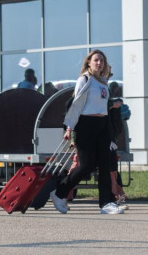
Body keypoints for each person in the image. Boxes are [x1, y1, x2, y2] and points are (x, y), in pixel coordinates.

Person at [51, 49, 124, 215]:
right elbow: (76, 105)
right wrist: (69, 128)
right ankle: (59, 193)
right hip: (86, 125)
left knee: (105, 164)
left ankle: (107, 203)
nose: (99, 63)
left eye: (102, 61)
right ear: (89, 63)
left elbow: (101, 105)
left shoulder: (103, 81)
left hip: (102, 124)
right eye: (96, 60)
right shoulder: (84, 80)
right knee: (86, 165)